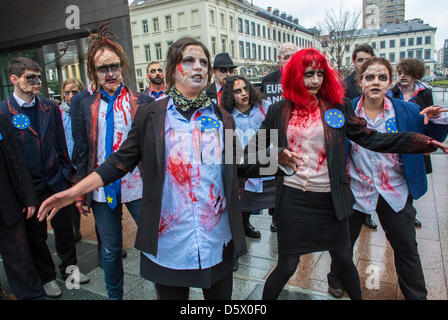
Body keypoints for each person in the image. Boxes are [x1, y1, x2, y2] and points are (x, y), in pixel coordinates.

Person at [37, 37, 300, 300]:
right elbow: (118, 163)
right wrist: (73, 193)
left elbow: (239, 163)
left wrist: (277, 160)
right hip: (170, 243)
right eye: (189, 60)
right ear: (174, 67)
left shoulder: (222, 117)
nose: (198, 67)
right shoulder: (151, 115)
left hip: (215, 240)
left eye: (203, 62)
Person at [255, 48, 447, 300]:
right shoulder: (278, 110)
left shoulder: (337, 107)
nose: (314, 81)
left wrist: (420, 141)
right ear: (294, 76)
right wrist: (277, 153)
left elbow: (372, 138)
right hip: (293, 200)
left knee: (344, 260)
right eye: (308, 74)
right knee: (288, 265)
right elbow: (252, 152)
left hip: (330, 199)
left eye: (319, 74)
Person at [328, 57, 448, 300]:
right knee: (343, 244)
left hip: (394, 189)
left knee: (406, 248)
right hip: (356, 187)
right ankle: (336, 278)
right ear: (361, 82)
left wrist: (434, 120)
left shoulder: (408, 110)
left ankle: (416, 295)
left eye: (382, 78)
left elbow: (428, 140)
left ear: (390, 83)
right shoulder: (346, 110)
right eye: (370, 77)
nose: (376, 82)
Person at [71, 24, 154, 300]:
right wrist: (80, 190)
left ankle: (164, 292)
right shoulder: (82, 105)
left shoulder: (140, 101)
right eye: (103, 68)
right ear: (93, 73)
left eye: (115, 66)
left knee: (153, 243)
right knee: (109, 248)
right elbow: (83, 151)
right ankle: (115, 296)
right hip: (101, 186)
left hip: (137, 184)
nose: (110, 73)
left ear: (122, 68)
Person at [0, 57, 89, 298]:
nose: (37, 82)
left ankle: (70, 270)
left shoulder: (50, 107)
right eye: (31, 78)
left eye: (39, 77)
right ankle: (47, 277)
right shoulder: (4, 112)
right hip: (29, 188)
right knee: (37, 236)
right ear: (14, 80)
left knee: (65, 231)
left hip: (55, 180)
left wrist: (66, 174)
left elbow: (61, 145)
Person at [221, 75, 274, 240]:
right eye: (237, 91)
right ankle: (243, 227)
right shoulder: (226, 116)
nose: (243, 93)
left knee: (277, 201)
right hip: (244, 169)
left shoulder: (265, 107)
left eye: (245, 89)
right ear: (230, 95)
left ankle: (279, 224)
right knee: (243, 205)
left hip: (268, 166)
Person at [389, 58, 439, 228]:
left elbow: (430, 120)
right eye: (400, 72)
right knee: (397, 176)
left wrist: (428, 143)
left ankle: (409, 212)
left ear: (415, 75)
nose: (402, 76)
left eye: (407, 73)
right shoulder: (392, 93)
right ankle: (398, 211)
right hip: (397, 142)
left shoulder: (425, 93)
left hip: (417, 143)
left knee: (412, 178)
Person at [0, 113, 46, 300]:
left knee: (19, 255)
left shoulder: (1, 119)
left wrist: (28, 197)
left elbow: (17, 160)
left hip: (7, 204)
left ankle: (33, 296)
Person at [343, 44, 378, 231]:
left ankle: (368, 214)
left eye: (367, 59)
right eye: (360, 59)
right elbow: (256, 152)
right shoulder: (345, 86)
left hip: (370, 138)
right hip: (353, 140)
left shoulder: (378, 84)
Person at [59, 78, 84, 241]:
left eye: (74, 92)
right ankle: (75, 229)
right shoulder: (58, 113)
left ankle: (103, 242)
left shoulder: (86, 110)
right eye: (67, 92)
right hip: (66, 162)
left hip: (83, 161)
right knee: (71, 198)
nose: (70, 96)